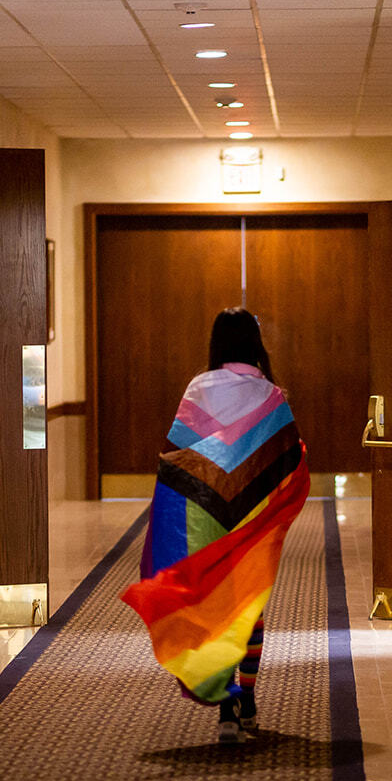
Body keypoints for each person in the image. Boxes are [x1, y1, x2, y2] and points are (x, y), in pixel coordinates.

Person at [120, 308, 309, 745]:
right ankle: (247, 699)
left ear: (217, 344)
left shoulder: (198, 389)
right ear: (255, 343)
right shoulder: (270, 396)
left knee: (212, 601)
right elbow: (287, 458)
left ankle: (226, 707)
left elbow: (177, 455)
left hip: (203, 513)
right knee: (248, 605)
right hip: (250, 517)